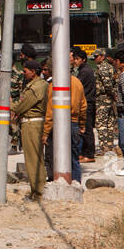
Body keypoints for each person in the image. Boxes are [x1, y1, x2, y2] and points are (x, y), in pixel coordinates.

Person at [44, 53, 87, 183]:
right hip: (74, 124)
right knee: (74, 158)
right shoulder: (77, 82)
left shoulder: (54, 85)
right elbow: (83, 106)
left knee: (55, 157)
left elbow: (51, 110)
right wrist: (82, 125)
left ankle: (58, 182)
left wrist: (45, 132)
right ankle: (76, 184)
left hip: (58, 126)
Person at [13, 59, 48, 201]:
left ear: (33, 72)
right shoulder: (36, 85)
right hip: (31, 124)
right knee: (35, 158)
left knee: (33, 159)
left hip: (32, 125)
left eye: (26, 71)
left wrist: (8, 103)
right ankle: (36, 191)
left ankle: (38, 192)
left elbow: (21, 106)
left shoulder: (37, 87)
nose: (23, 73)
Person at [9, 43, 36, 154]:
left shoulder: (30, 69)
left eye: (22, 55)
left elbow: (23, 90)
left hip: (25, 102)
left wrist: (19, 105)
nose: (20, 57)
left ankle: (17, 145)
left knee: (17, 124)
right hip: (18, 102)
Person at [93, 49, 118, 156]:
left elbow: (107, 84)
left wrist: (112, 94)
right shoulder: (110, 67)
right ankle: (109, 144)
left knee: (101, 123)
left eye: (97, 56)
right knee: (109, 122)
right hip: (108, 98)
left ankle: (104, 147)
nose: (95, 59)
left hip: (103, 98)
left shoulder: (102, 68)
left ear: (103, 56)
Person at [73, 47, 97, 161]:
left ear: (83, 59)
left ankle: (89, 154)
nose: (75, 61)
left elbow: (76, 85)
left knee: (87, 129)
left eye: (77, 59)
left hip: (87, 103)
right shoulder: (83, 70)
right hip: (86, 102)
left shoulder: (85, 71)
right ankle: (83, 153)